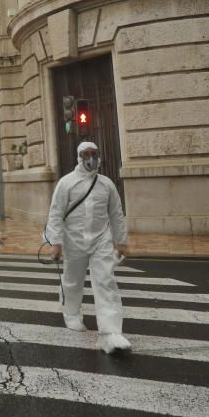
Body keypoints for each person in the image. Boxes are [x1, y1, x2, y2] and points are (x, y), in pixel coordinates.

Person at [44, 141, 131, 354]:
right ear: (79, 157)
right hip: (73, 240)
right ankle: (72, 314)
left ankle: (110, 333)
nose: (90, 158)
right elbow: (55, 213)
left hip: (101, 239)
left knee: (106, 282)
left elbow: (116, 214)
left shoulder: (106, 184)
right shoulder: (66, 183)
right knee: (73, 280)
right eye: (86, 154)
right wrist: (56, 243)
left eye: (94, 154)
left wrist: (121, 241)